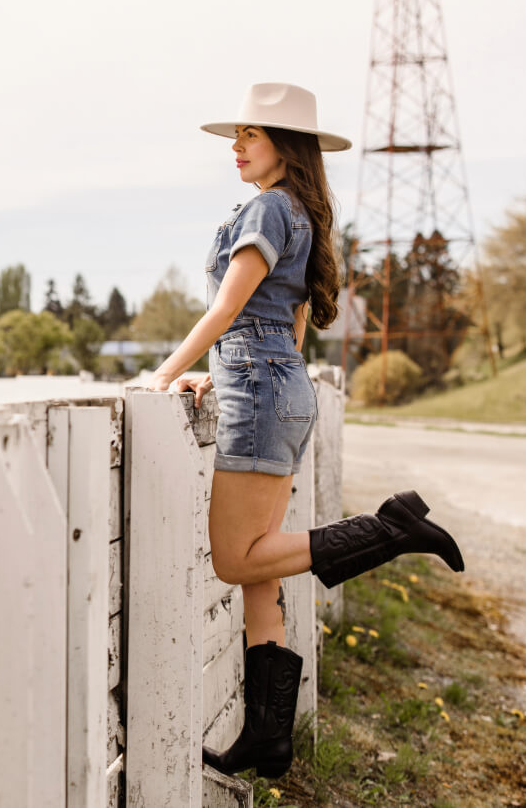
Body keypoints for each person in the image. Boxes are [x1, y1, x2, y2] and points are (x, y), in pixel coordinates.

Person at [144, 83, 465, 779]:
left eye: (248, 135)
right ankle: (268, 737)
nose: (235, 146)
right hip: (276, 387)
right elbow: (285, 323)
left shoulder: (267, 207)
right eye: (235, 136)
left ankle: (390, 529)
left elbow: (229, 307)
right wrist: (221, 373)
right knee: (262, 569)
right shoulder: (299, 211)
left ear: (283, 146)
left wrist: (166, 375)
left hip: (261, 394)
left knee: (235, 559)